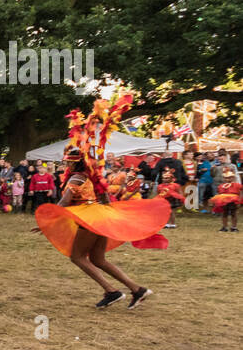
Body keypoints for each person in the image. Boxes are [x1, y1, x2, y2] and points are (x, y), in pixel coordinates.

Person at [34, 96, 169, 309]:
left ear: (71, 164)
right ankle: (137, 289)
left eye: (65, 162)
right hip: (100, 217)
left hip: (90, 220)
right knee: (98, 259)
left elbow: (64, 201)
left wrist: (47, 220)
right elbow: (105, 198)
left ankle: (111, 291)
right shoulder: (91, 178)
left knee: (77, 257)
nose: (63, 164)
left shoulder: (75, 178)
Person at [208, 166, 240, 232]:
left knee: (233, 213)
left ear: (233, 177)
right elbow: (219, 194)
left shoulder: (237, 185)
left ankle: (234, 227)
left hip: (233, 200)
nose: (227, 179)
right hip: (224, 201)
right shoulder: (221, 186)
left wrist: (239, 201)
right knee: (224, 213)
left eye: (229, 178)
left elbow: (240, 193)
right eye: (226, 178)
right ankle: (224, 227)